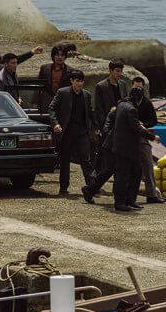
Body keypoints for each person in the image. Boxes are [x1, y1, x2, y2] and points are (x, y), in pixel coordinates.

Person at [83, 60, 128, 201]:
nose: (119, 74)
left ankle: (115, 190)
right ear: (110, 71)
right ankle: (92, 186)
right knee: (107, 161)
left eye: (121, 71)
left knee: (116, 162)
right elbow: (99, 108)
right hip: (108, 128)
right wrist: (100, 127)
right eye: (117, 71)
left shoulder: (123, 85)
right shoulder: (101, 86)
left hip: (120, 128)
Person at [47, 68, 95, 195]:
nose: (80, 84)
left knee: (85, 158)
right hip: (66, 131)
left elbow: (90, 112)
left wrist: (96, 127)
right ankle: (63, 187)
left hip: (81, 131)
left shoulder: (86, 95)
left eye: (82, 81)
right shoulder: (63, 93)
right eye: (77, 81)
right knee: (65, 159)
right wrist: (56, 124)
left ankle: (91, 186)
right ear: (72, 81)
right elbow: (52, 108)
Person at [111, 86, 155, 211]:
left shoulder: (122, 104)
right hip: (125, 147)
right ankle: (120, 202)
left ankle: (131, 200)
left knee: (136, 172)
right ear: (140, 100)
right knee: (123, 175)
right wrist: (152, 137)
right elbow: (137, 128)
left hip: (125, 147)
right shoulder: (131, 109)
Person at [131, 76, 163, 203]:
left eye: (140, 87)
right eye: (135, 86)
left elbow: (154, 120)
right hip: (129, 137)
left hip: (143, 137)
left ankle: (152, 194)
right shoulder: (127, 102)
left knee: (148, 165)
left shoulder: (147, 103)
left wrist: (144, 124)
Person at [36, 44, 72, 112]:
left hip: (63, 104)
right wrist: (34, 102)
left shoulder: (70, 71)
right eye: (57, 55)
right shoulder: (44, 68)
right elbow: (38, 86)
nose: (60, 57)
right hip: (46, 104)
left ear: (65, 57)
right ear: (53, 56)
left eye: (62, 55)